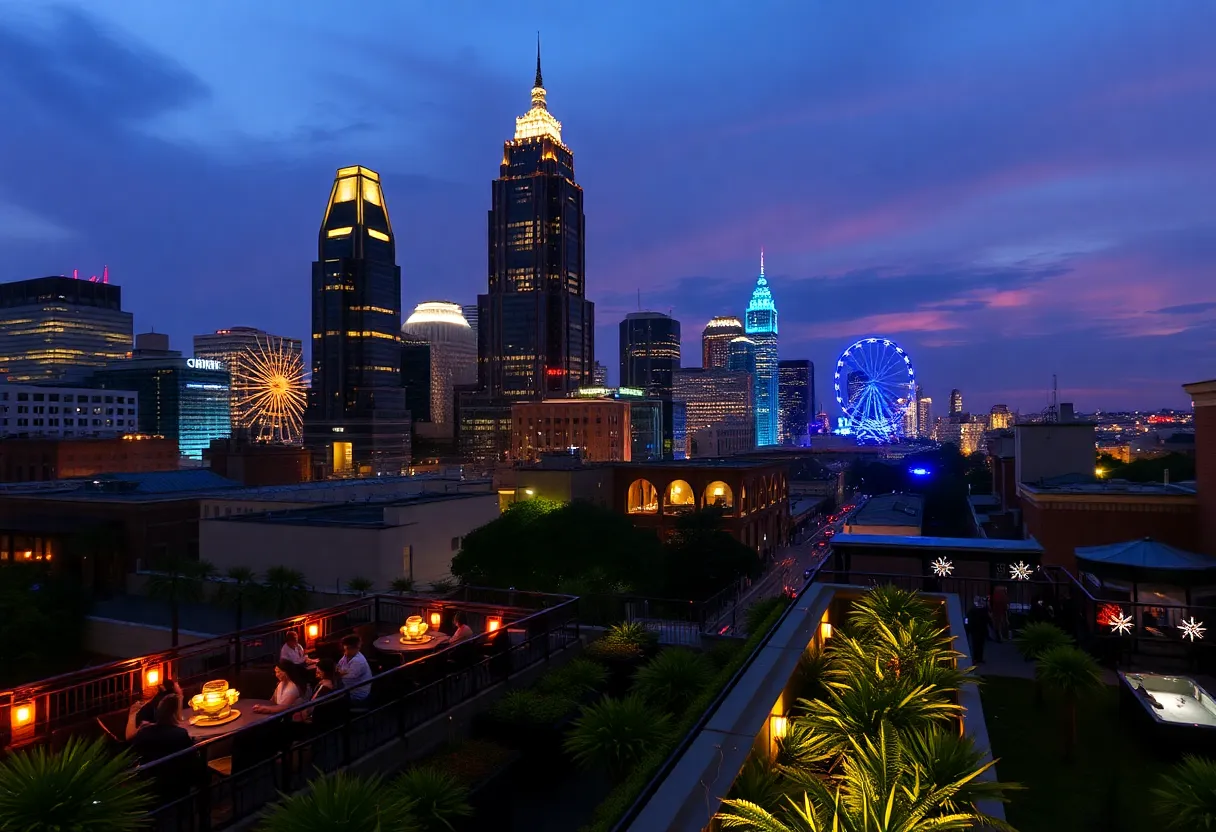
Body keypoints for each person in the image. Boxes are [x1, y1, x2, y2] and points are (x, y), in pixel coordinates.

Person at [130, 695, 193, 764]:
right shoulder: (181, 734)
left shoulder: (144, 732)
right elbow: (191, 758)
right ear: (175, 713)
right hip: (175, 772)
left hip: (148, 772)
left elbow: (134, 754)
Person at [336, 635, 372, 704]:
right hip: (347, 688)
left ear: (356, 648)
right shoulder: (347, 655)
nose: (345, 651)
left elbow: (347, 677)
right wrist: (341, 673)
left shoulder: (358, 661)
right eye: (345, 648)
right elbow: (338, 667)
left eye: (348, 648)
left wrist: (340, 674)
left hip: (356, 694)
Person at [966, 599, 990, 663]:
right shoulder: (983, 610)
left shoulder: (972, 610)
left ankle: (976, 658)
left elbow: (967, 619)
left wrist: (967, 627)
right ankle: (978, 658)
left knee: (976, 644)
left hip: (975, 629)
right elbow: (988, 620)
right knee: (979, 644)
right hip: (980, 629)